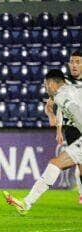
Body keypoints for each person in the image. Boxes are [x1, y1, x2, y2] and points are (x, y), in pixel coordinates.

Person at [4, 69, 82, 215]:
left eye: (46, 85)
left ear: (52, 84)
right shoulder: (74, 89)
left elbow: (76, 112)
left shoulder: (61, 96)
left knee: (56, 163)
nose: (45, 89)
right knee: (56, 163)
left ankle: (26, 203)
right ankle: (26, 203)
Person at [45, 50, 82, 203]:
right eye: (72, 62)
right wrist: (53, 119)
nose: (74, 65)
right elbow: (50, 106)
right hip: (73, 128)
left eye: (78, 62)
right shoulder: (63, 83)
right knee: (80, 165)